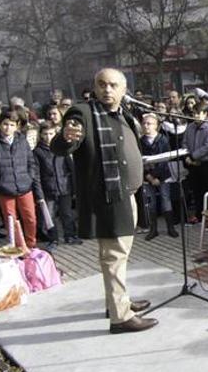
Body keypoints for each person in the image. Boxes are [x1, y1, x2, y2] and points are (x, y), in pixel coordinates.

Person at [51, 68, 157, 333]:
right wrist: (65, 137)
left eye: (113, 85)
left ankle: (118, 302)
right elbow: (64, 142)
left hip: (128, 195)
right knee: (114, 256)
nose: (107, 90)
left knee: (118, 256)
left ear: (123, 90)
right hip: (109, 199)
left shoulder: (124, 114)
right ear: (95, 88)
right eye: (102, 85)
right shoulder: (83, 114)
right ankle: (120, 318)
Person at [0, 113, 43, 249]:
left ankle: (31, 245)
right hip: (4, 190)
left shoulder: (22, 141)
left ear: (17, 126)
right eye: (5, 124)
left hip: (24, 186)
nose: (7, 128)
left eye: (11, 125)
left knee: (30, 218)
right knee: (11, 220)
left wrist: (29, 178)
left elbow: (31, 162)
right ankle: (19, 247)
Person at [34, 123, 81, 247]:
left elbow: (70, 168)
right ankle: (52, 238)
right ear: (41, 135)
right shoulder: (37, 152)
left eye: (51, 133)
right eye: (45, 134)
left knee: (67, 213)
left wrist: (74, 188)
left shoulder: (61, 149)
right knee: (49, 216)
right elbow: (36, 175)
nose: (48, 137)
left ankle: (70, 235)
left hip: (64, 187)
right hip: (48, 189)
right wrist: (39, 194)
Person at [139, 113, 178, 240]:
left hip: (162, 176)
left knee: (166, 200)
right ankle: (153, 229)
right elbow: (140, 160)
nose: (146, 126)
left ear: (156, 126)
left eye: (149, 123)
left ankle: (170, 228)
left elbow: (164, 159)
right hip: (147, 177)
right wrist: (149, 177)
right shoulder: (140, 141)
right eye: (144, 123)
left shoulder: (163, 139)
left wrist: (156, 177)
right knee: (151, 203)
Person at [183, 101, 208, 226]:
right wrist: (187, 156)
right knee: (196, 190)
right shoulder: (190, 127)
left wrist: (194, 156)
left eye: (198, 114)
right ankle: (199, 214)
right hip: (192, 164)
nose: (195, 116)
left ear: (204, 114)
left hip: (206, 164)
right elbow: (185, 143)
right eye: (194, 114)